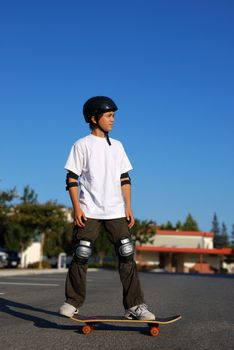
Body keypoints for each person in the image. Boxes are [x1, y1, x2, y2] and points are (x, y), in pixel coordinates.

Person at [59, 96, 155, 320]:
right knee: (81, 254)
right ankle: (72, 302)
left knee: (126, 253)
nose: (113, 120)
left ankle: (135, 306)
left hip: (115, 210)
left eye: (114, 116)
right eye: (109, 115)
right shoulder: (81, 145)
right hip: (89, 209)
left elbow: (125, 178)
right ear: (94, 118)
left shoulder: (118, 146)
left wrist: (128, 206)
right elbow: (72, 178)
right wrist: (76, 208)